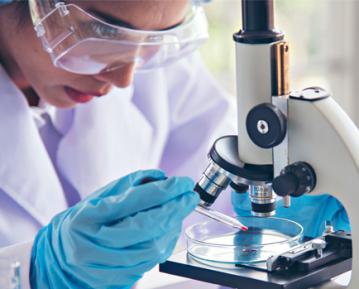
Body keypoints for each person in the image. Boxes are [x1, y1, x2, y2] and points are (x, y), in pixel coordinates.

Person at [0, 0, 234, 288]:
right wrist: (31, 273)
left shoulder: (150, 53)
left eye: (155, 38)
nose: (124, 79)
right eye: (102, 31)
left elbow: (225, 208)